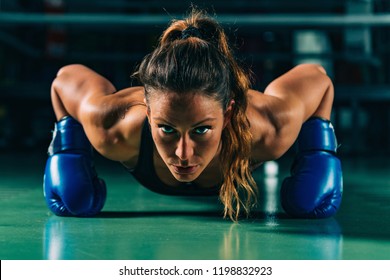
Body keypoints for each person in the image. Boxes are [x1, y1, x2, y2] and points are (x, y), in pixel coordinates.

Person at [43, 9, 343, 221]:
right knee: (74, 196)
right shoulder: (114, 125)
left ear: (227, 115)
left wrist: (317, 152)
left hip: (239, 107)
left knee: (309, 199)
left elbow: (317, 77)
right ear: (147, 114)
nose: (183, 154)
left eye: (201, 130)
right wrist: (71, 149)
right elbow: (65, 79)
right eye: (167, 129)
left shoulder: (269, 127)